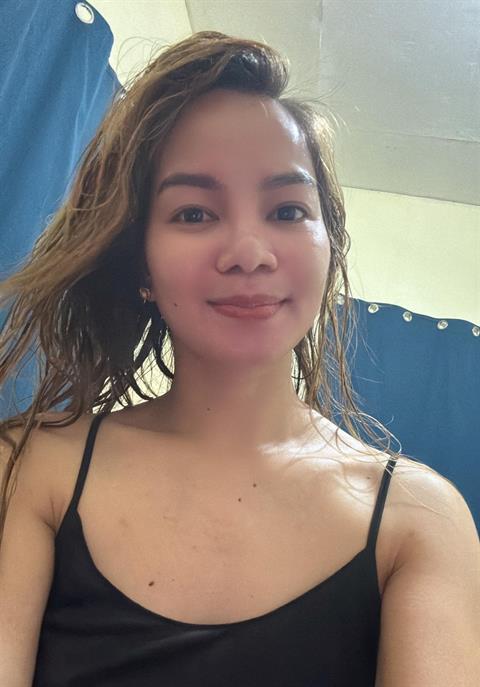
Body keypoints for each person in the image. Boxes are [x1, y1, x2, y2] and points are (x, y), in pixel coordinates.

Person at [0, 31, 478, 687]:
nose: (250, 252)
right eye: (194, 214)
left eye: (287, 210)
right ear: (141, 263)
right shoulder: (30, 470)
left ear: (330, 247)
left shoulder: (419, 520)